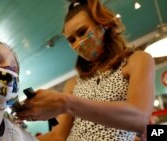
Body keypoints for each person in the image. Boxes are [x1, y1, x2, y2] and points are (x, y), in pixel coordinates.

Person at [17, 0, 155, 140]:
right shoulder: (73, 84)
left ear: (103, 24)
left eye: (82, 32)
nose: (78, 43)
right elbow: (57, 136)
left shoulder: (136, 61)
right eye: (71, 40)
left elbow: (140, 118)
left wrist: (67, 103)